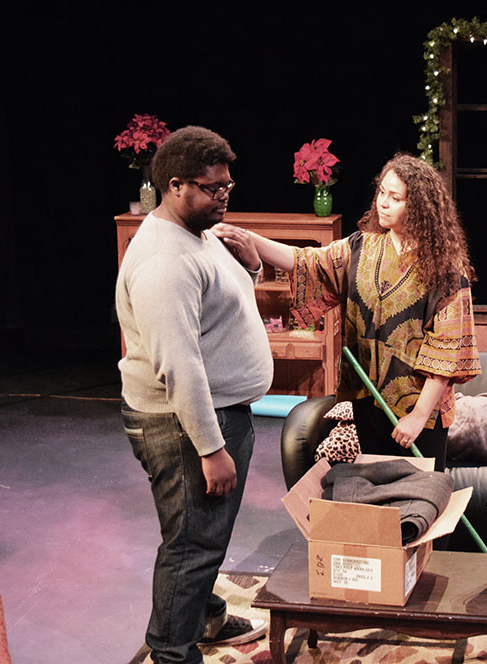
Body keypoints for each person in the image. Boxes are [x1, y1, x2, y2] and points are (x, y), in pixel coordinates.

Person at [116, 126, 274, 663]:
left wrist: (251, 265)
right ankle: (171, 651)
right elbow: (177, 365)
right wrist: (211, 448)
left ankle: (203, 617)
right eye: (213, 188)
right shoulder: (164, 261)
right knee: (191, 545)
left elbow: (221, 309)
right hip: (186, 424)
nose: (224, 195)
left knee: (198, 535)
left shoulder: (198, 233)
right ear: (175, 185)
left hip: (216, 412)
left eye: (229, 184)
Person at [214, 153, 480, 470]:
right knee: (377, 500)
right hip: (368, 401)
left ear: (419, 208)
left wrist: (418, 416)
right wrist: (249, 239)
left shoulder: (445, 269)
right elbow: (305, 262)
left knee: (418, 503)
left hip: (419, 412)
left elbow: (447, 351)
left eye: (395, 198)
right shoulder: (360, 248)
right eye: (382, 192)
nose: (383, 202)